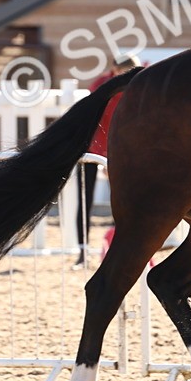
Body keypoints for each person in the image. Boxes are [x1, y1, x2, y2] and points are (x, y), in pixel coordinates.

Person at [74, 55, 141, 268]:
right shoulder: (100, 84)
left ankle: (115, 247)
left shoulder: (137, 85)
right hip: (92, 147)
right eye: (122, 70)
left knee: (122, 201)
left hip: (121, 150)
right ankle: (83, 251)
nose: (125, 75)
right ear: (113, 69)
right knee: (85, 200)